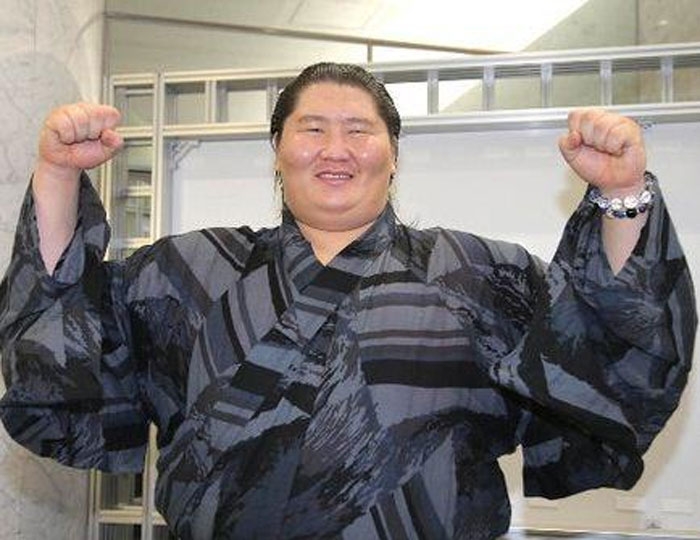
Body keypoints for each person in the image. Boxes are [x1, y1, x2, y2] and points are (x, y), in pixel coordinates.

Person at [0, 62, 696, 540]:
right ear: (277, 150)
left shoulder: (482, 273)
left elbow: (607, 346)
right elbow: (60, 338)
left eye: (360, 130)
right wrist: (57, 174)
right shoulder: (187, 268)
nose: (336, 148)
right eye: (311, 129)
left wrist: (621, 195)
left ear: (393, 154)